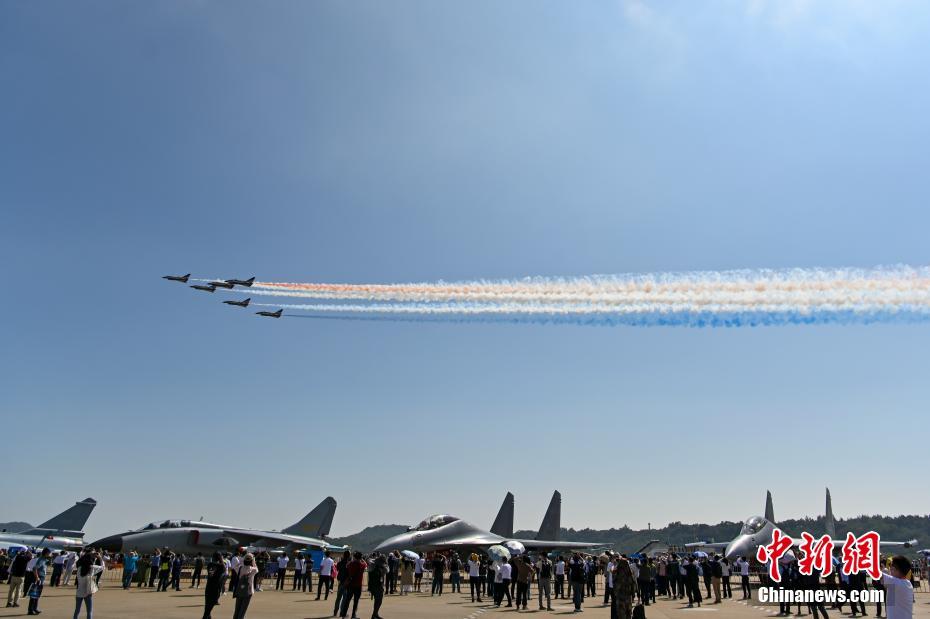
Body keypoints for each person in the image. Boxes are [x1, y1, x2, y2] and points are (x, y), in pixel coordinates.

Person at [73, 550, 105, 619]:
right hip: (88, 592)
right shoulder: (92, 568)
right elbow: (103, 567)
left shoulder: (79, 568)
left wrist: (89, 555)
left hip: (79, 592)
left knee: (77, 610)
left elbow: (80, 561)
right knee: (89, 611)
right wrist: (99, 557)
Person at [339, 551, 367, 619]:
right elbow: (365, 564)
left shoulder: (350, 564)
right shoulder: (362, 565)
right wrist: (362, 559)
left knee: (347, 600)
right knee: (356, 601)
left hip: (350, 585)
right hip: (358, 585)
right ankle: (353, 615)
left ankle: (344, 614)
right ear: (360, 558)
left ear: (354, 557)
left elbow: (347, 566)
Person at [232, 553, 258, 619]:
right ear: (251, 561)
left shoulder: (240, 569)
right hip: (248, 591)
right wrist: (253, 560)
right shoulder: (253, 569)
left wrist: (241, 560)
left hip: (239, 590)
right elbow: (256, 568)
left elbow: (235, 567)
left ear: (244, 560)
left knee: (237, 608)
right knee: (243, 609)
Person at [202, 552, 226, 619]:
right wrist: (221, 559)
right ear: (220, 557)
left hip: (209, 586)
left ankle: (207, 617)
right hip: (216, 587)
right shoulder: (221, 566)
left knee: (207, 604)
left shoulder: (210, 564)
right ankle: (205, 617)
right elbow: (224, 569)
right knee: (211, 605)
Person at [27, 548, 51, 616]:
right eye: (49, 553)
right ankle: (30, 610)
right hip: (39, 578)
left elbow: (45, 566)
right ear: (46, 553)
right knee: (34, 595)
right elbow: (35, 568)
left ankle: (35, 608)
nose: (49, 554)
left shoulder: (44, 560)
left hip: (41, 578)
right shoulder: (41, 560)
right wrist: (37, 578)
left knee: (37, 595)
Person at [368, 553, 387, 619]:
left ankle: (375, 614)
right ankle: (374, 615)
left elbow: (386, 571)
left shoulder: (375, 566)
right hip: (376, 586)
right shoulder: (375, 567)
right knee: (378, 600)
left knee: (378, 601)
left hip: (376, 586)